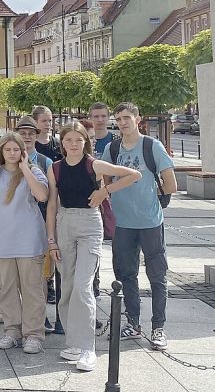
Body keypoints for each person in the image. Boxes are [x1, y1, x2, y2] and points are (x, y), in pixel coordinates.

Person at [47, 122, 140, 371]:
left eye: (78, 140)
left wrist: (105, 191)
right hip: (64, 223)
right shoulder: (55, 168)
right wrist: (51, 239)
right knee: (66, 287)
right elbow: (52, 206)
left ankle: (88, 347)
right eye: (68, 140)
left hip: (89, 225)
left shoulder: (93, 165)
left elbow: (134, 174)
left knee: (82, 286)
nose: (74, 144)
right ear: (62, 142)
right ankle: (74, 341)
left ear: (84, 142)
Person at [101, 102, 176, 350]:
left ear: (137, 118)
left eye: (126, 118)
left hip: (150, 222)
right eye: (119, 119)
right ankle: (133, 323)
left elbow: (171, 185)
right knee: (126, 275)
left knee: (157, 276)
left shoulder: (151, 146)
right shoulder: (113, 148)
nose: (122, 123)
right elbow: (106, 180)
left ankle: (158, 327)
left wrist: (149, 194)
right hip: (123, 223)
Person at [0, 133, 49, 353]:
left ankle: (34, 334)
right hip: (2, 240)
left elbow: (43, 195)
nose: (11, 153)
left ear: (23, 152)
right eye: (7, 150)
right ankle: (12, 331)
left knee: (32, 289)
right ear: (1, 152)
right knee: (6, 289)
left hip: (29, 240)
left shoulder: (34, 172)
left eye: (16, 150)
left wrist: (26, 168)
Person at [15, 116, 61, 332]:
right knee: (18, 274)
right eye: (22, 133)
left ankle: (40, 316)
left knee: (41, 274)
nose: (26, 137)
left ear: (36, 135)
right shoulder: (8, 158)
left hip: (40, 221)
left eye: (30, 133)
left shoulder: (45, 162)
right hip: (15, 223)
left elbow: (52, 196)